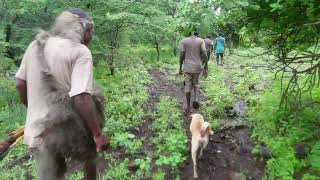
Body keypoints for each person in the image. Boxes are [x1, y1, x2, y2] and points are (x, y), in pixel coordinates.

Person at [15, 8, 109, 180]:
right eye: (91, 30)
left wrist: (34, 111)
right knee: (90, 158)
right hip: (70, 132)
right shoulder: (80, 52)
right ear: (82, 28)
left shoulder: (35, 46)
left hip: (39, 132)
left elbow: (20, 84)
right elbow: (81, 98)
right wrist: (97, 135)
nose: (91, 36)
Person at [179, 32, 208, 114]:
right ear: (196, 34)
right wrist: (206, 67)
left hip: (187, 67)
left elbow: (182, 54)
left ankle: (188, 107)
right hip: (197, 67)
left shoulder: (184, 41)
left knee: (187, 85)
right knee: (196, 83)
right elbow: (205, 54)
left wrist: (180, 67)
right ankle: (196, 99)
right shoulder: (201, 41)